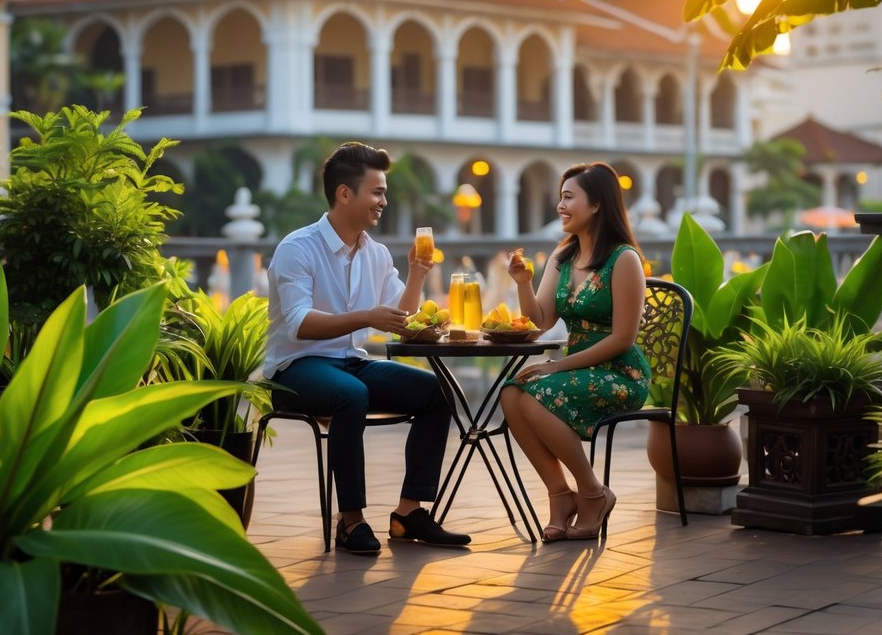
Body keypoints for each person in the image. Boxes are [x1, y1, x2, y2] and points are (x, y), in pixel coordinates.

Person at [265, 142, 471, 555]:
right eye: (377, 192)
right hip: (296, 369)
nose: (384, 201)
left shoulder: (375, 253)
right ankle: (351, 521)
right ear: (345, 193)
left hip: (350, 363)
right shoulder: (297, 248)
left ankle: (408, 512)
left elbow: (401, 317)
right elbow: (300, 323)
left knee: (437, 392)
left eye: (384, 192)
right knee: (350, 395)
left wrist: (416, 274)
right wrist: (366, 317)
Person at [500, 162, 651, 542]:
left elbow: (623, 339)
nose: (560, 206)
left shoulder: (624, 259)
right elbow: (540, 321)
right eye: (560, 197)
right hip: (575, 370)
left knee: (537, 397)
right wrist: (524, 283)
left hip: (620, 373)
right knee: (510, 393)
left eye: (569, 197)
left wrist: (555, 367)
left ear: (597, 204)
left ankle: (592, 493)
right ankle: (560, 495)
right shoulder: (562, 257)